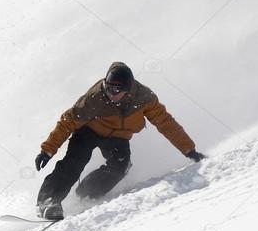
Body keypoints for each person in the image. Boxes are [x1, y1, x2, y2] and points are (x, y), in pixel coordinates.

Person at [34, 62, 205, 220]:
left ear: (128, 89)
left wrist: (189, 149)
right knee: (75, 162)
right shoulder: (94, 99)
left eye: (116, 90)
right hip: (89, 131)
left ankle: (87, 193)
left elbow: (166, 123)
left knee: (120, 166)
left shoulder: (144, 98)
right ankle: (48, 201)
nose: (111, 94)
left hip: (118, 136)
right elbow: (67, 122)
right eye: (108, 88)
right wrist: (47, 150)